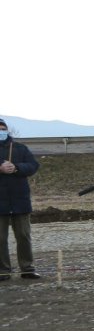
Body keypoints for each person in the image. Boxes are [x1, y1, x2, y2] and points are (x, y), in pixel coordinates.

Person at [0, 119, 41, 281]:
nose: (1, 131)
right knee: (0, 239)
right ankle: (3, 270)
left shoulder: (20, 148)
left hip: (20, 200)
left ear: (7, 130)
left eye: (3, 129)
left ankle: (27, 268)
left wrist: (16, 167)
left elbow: (33, 166)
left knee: (24, 235)